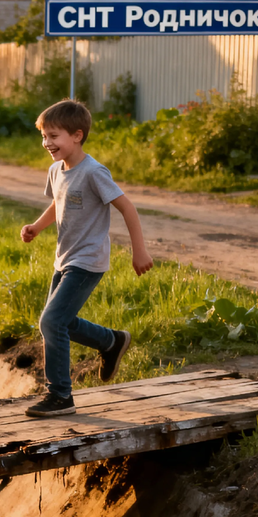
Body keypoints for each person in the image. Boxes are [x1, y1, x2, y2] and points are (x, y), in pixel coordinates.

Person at [19, 99, 153, 418]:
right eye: (44, 136)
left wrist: (140, 251)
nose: (47, 143)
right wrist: (37, 227)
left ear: (77, 135)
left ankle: (60, 395)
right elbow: (58, 204)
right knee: (62, 322)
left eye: (54, 136)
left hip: (88, 260)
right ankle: (112, 341)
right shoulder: (56, 170)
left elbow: (127, 208)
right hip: (64, 259)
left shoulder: (94, 172)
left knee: (51, 321)